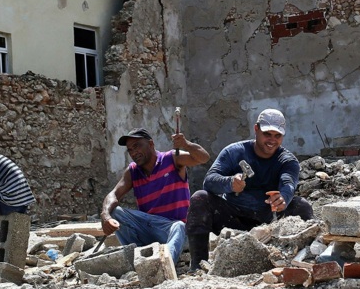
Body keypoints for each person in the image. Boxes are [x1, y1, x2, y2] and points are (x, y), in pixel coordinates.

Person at [186, 108, 313, 270]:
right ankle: (198, 265)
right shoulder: (234, 152)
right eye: (267, 134)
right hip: (231, 220)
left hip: (268, 223)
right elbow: (209, 182)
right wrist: (229, 182)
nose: (272, 140)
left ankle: (306, 260)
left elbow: (288, 182)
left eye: (277, 136)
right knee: (200, 198)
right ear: (256, 129)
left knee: (301, 205)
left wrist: (283, 198)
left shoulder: (287, 161)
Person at [100, 127, 210, 264]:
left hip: (174, 231)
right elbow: (114, 194)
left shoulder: (172, 159)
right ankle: (139, 260)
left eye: (137, 146)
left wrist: (185, 144)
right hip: (150, 229)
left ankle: (164, 265)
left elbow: (203, 158)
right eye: (130, 150)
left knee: (179, 226)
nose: (134, 152)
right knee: (116, 212)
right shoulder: (133, 171)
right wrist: (105, 216)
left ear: (151, 144)